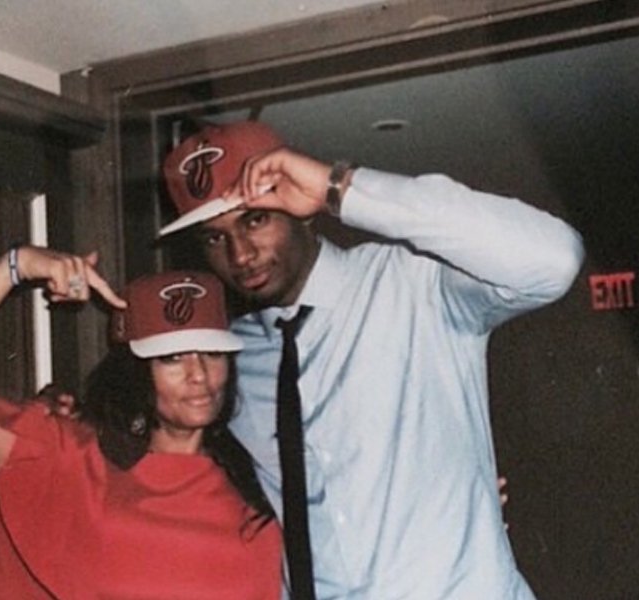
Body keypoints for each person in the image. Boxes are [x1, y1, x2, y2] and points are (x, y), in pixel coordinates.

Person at [158, 120, 586, 599]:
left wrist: (338, 186)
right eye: (215, 239)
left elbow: (554, 261)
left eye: (254, 219)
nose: (240, 254)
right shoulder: (228, 361)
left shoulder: (415, 286)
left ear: (298, 208)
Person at [0, 248, 283, 600]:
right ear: (136, 371)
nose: (199, 376)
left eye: (212, 354)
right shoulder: (77, 461)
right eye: (172, 358)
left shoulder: (263, 470)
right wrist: (16, 266)